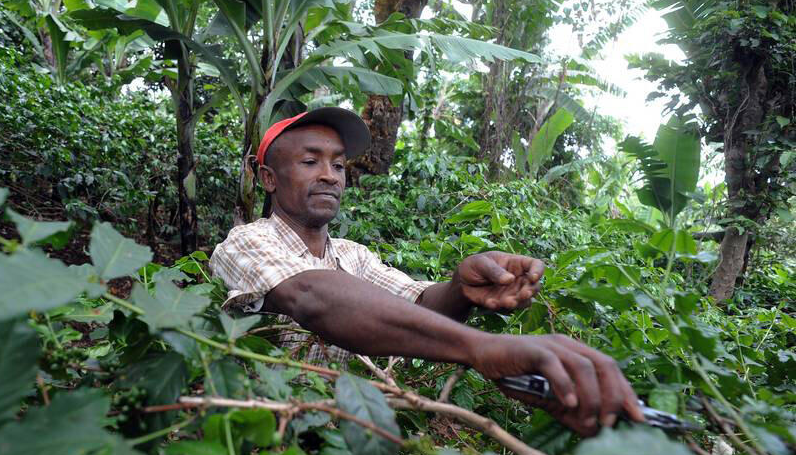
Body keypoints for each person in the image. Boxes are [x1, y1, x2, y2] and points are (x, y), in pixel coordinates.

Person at [209, 107, 644, 436]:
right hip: (259, 434)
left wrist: (462, 285)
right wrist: (484, 348)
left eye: (338, 165)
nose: (330, 176)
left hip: (342, 434)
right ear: (268, 178)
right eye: (310, 162)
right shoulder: (245, 243)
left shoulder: (353, 256)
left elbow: (417, 304)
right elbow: (313, 297)